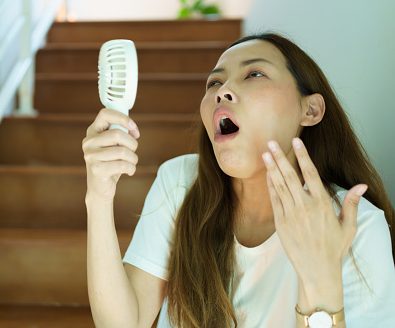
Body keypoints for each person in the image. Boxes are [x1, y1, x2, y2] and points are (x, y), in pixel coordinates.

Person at [82, 33, 395, 328]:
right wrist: (98, 195)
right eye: (214, 82)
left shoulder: (357, 227)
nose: (222, 90)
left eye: (254, 74)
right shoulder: (179, 181)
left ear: (310, 109)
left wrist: (319, 283)